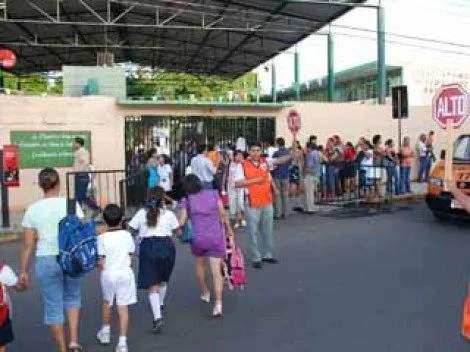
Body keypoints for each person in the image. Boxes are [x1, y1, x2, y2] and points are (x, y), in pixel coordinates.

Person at [21, 168, 84, 352]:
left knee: (53, 306)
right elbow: (79, 232)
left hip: (46, 260)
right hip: (70, 258)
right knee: (73, 298)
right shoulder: (71, 204)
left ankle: (62, 349)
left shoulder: (32, 210)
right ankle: (74, 341)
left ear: (41, 186)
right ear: (58, 183)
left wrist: (24, 271)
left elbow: (28, 245)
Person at [178, 174, 234, 317]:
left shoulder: (187, 200)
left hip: (197, 238)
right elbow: (223, 215)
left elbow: (181, 222)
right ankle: (218, 303)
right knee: (217, 271)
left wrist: (178, 232)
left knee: (200, 265)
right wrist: (229, 230)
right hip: (215, 236)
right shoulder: (214, 194)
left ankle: (205, 292)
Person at [128, 187, 179, 333]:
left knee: (152, 284)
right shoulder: (169, 214)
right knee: (163, 279)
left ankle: (157, 317)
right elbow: (178, 231)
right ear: (163, 199)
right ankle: (160, 303)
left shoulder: (141, 213)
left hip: (148, 247)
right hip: (166, 246)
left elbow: (130, 229)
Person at [96, 204, 136, 352]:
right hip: (125, 272)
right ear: (121, 220)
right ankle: (122, 342)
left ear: (104, 221)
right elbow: (131, 252)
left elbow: (101, 260)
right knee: (123, 306)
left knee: (107, 301)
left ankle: (105, 332)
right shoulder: (127, 235)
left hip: (108, 273)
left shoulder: (101, 238)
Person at [236, 142, 280, 269]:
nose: (255, 153)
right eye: (253, 150)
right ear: (249, 152)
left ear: (261, 151)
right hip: (252, 202)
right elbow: (237, 184)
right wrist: (255, 181)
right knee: (252, 231)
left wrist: (274, 188)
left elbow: (269, 176)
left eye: (258, 150)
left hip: (266, 200)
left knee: (268, 229)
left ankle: (267, 254)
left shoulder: (265, 163)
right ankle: (256, 257)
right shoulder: (242, 165)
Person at [0, 263, 25, 352]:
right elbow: (19, 287)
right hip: (2, 317)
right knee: (1, 345)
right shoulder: (3, 270)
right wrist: (23, 283)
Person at [73, 137, 100, 216]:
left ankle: (79, 214)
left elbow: (86, 162)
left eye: (74, 143)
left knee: (79, 197)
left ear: (78, 143)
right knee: (82, 196)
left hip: (81, 175)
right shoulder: (79, 151)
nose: (73, 144)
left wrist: (80, 170)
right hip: (80, 175)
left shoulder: (81, 151)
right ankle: (96, 209)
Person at [271, 137, 291, 219]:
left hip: (277, 175)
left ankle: (278, 213)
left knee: (277, 194)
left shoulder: (276, 153)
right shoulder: (288, 152)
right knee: (285, 194)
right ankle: (285, 212)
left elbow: (273, 164)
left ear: (278, 143)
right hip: (285, 174)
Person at [227, 150, 246, 228]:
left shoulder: (244, 164)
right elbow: (226, 174)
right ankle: (237, 221)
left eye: (240, 155)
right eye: (237, 155)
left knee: (240, 203)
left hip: (241, 186)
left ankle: (243, 219)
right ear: (234, 156)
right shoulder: (230, 164)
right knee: (233, 203)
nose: (239, 157)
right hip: (232, 187)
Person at [303, 142, 321, 214]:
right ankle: (312, 206)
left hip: (310, 175)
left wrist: (304, 172)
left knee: (309, 192)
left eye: (306, 147)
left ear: (309, 147)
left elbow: (309, 166)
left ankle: (310, 208)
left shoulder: (310, 154)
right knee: (312, 191)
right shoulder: (318, 153)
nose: (306, 149)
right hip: (316, 174)